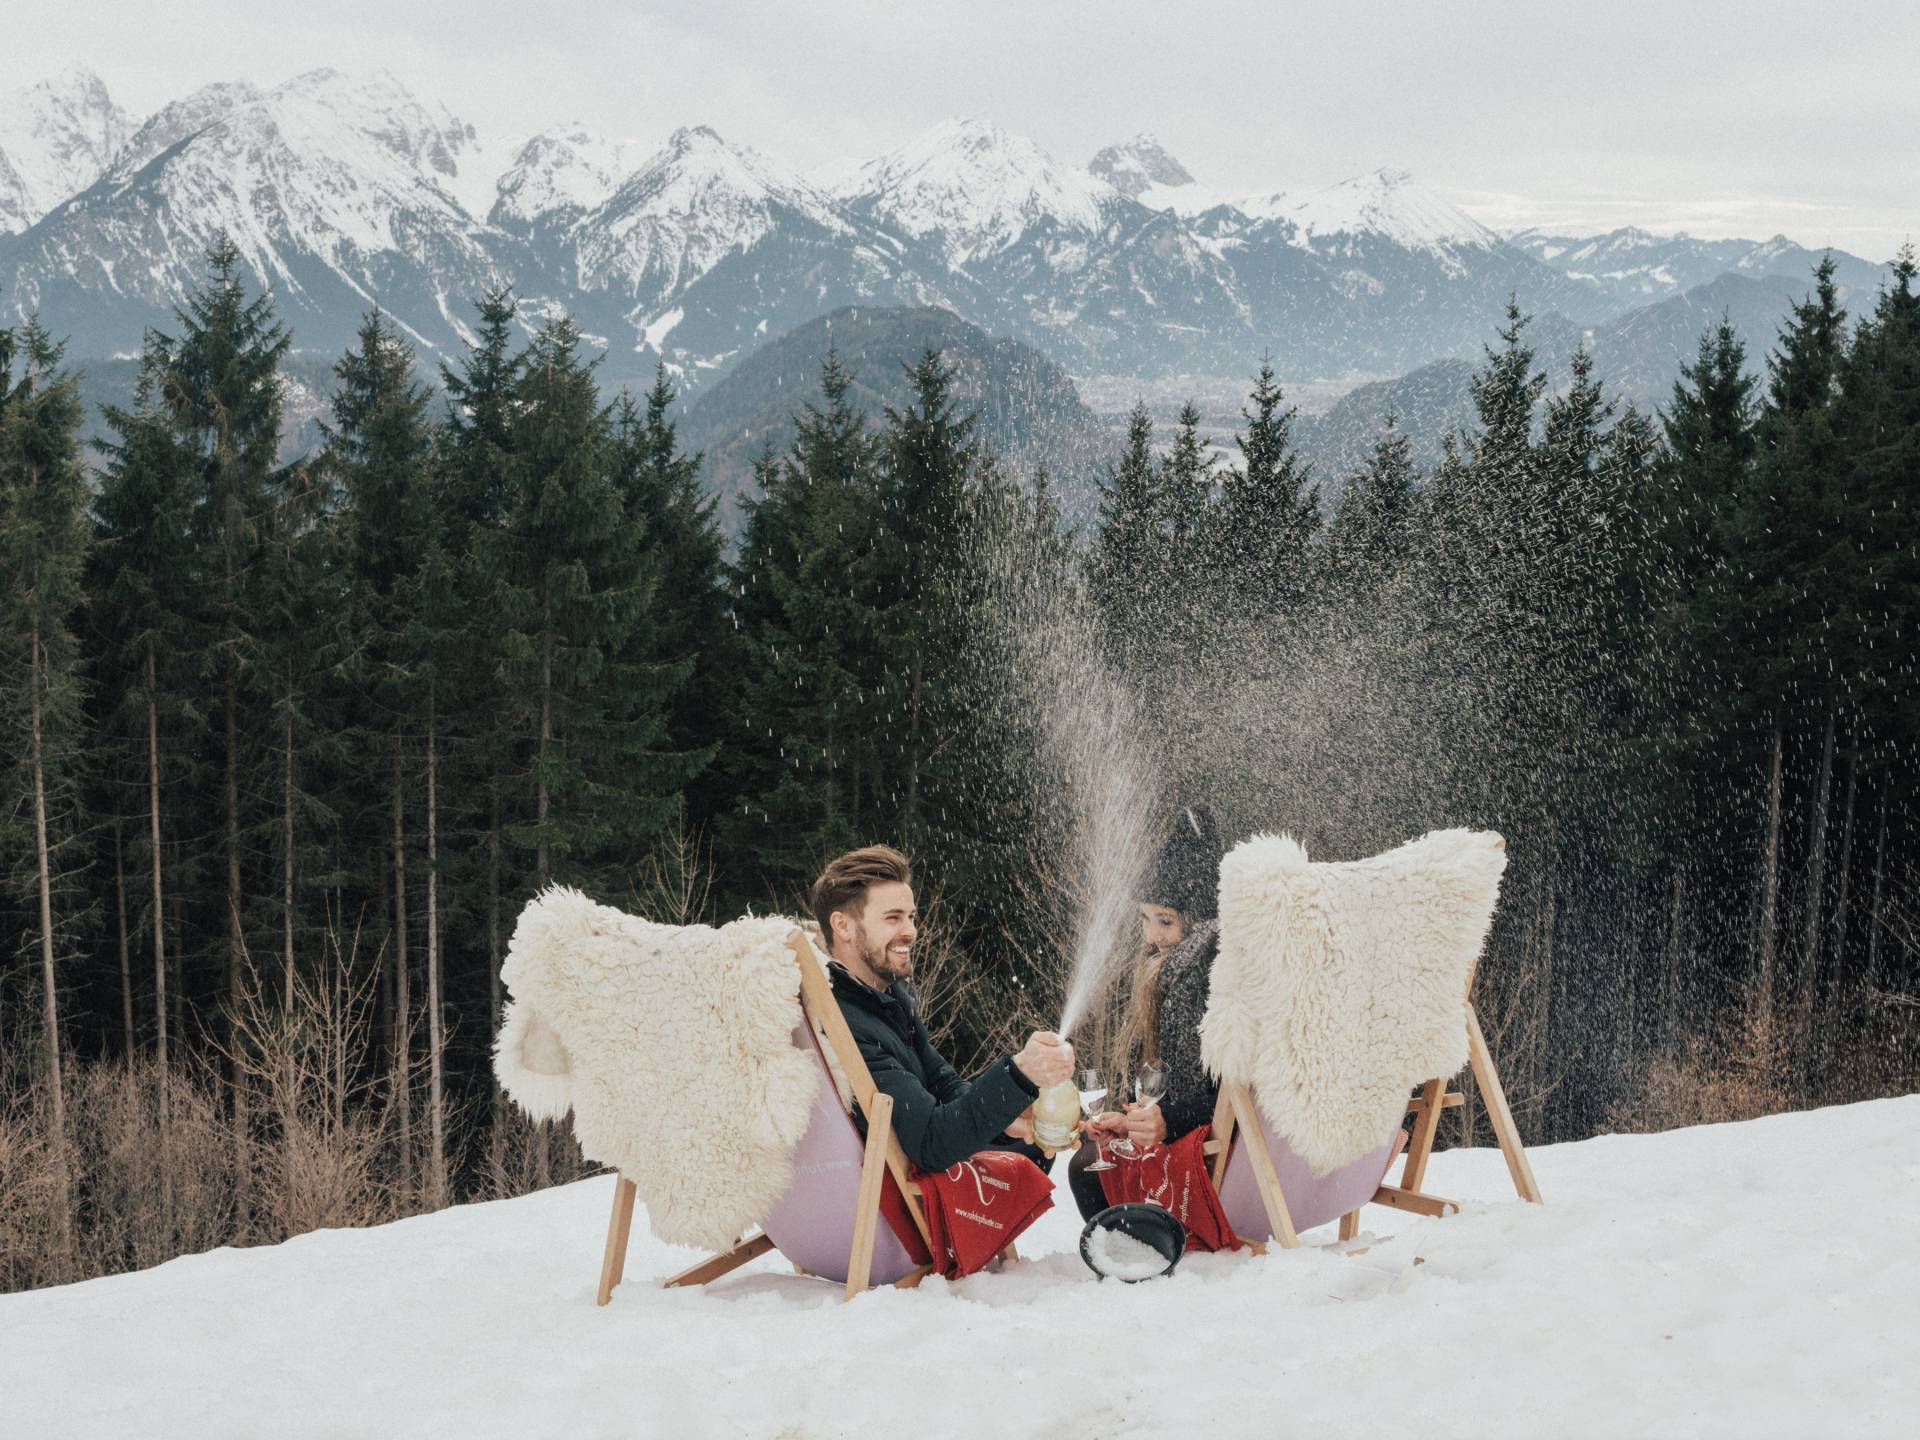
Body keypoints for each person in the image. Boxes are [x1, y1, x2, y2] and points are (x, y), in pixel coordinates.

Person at [812, 844, 1073, 1173]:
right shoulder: (841, 1022)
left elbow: (944, 1084)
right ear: (843, 926)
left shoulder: (887, 998)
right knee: (1024, 1161)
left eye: (910, 917)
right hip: (888, 1193)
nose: (911, 930)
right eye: (893, 918)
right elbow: (931, 1144)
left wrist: (1007, 1116)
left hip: (917, 1160)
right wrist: (1020, 1072)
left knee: (1028, 1149)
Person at [1070, 805, 1227, 1219]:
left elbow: (1235, 1094)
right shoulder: (1173, 974)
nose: (1153, 936)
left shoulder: (1211, 979)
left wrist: (1166, 1122)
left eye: (1166, 921)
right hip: (1192, 1136)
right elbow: (1171, 1089)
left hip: (1220, 1150)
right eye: (1146, 919)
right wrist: (1134, 1119)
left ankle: (1132, 1260)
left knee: (1088, 1170)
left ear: (1198, 923)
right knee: (1091, 1160)